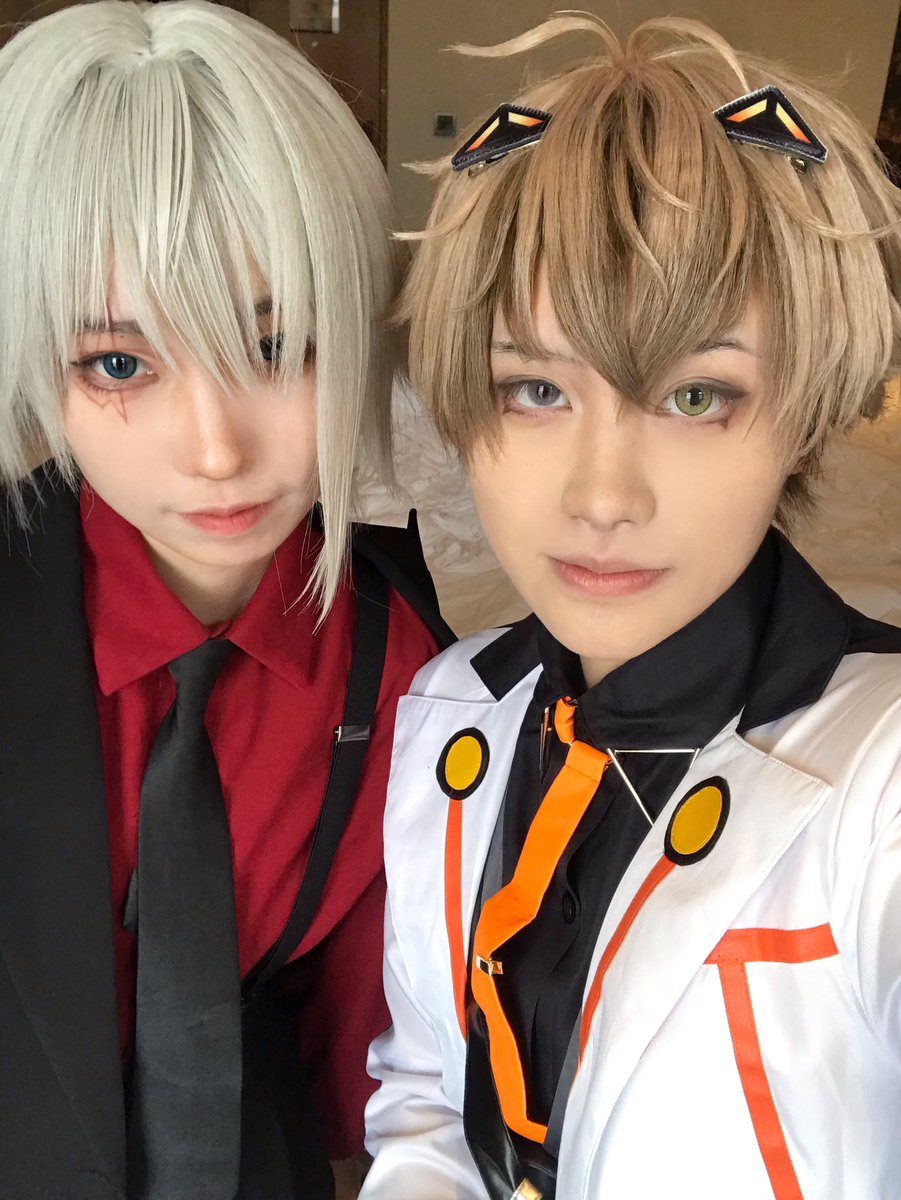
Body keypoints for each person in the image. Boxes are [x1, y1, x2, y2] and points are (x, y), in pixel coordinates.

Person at [362, 14, 901, 1200]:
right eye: (533, 388)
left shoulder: (880, 782)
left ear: (804, 414)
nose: (602, 496)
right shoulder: (450, 707)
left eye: (695, 396)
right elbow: (429, 1096)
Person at [0, 3, 450, 1198]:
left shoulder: (405, 676)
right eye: (120, 364)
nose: (214, 450)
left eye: (277, 344)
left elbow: (364, 1053)